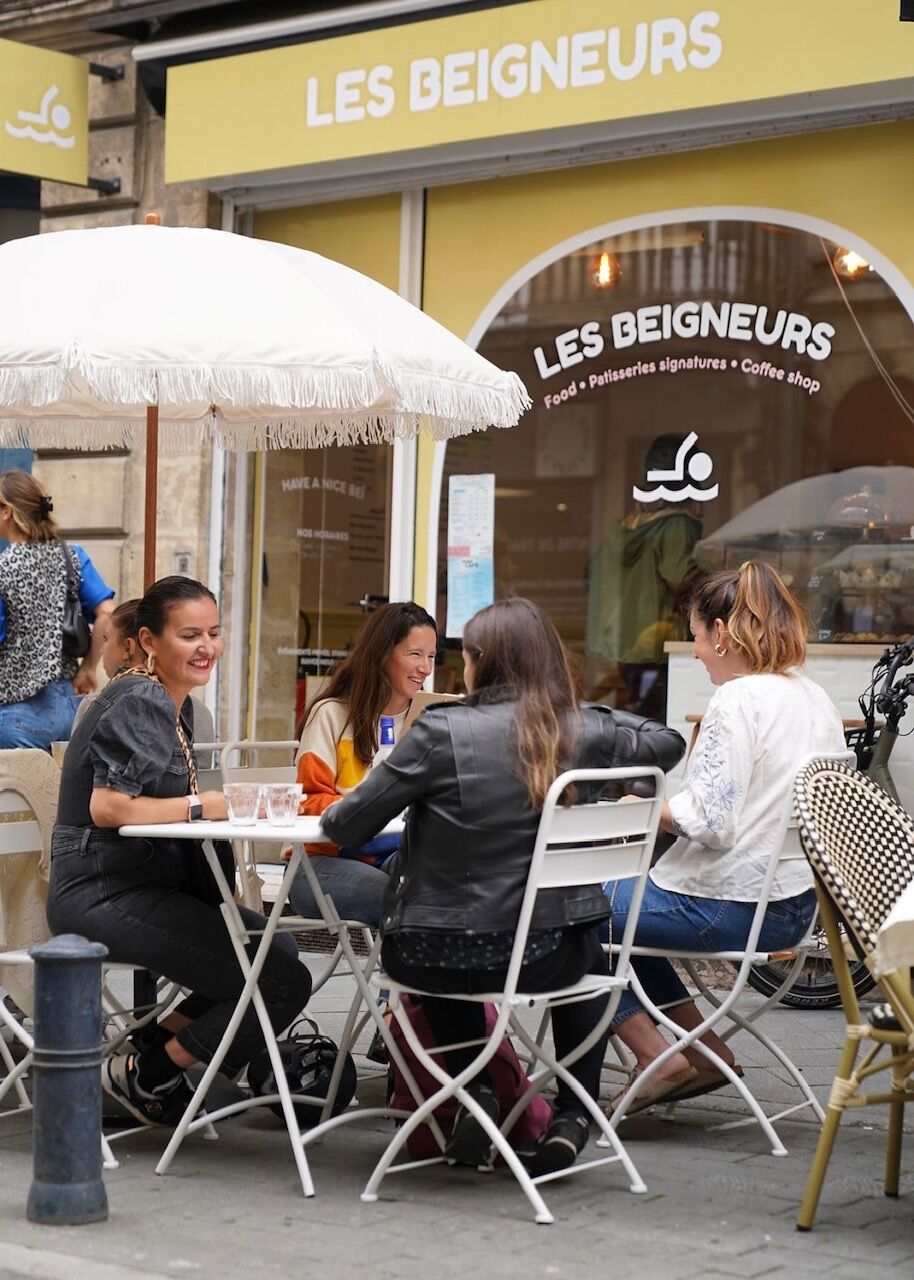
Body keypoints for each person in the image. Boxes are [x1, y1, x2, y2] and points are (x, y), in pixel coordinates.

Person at [320, 597, 685, 1174]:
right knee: (587, 935)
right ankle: (572, 1115)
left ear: (480, 662)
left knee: (440, 937)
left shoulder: (440, 728)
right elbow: (668, 742)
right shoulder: (581, 729)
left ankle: (476, 1098)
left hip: (434, 957)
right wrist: (577, 715)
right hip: (549, 959)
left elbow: (343, 825)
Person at [47, 575, 311, 1126]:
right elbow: (109, 809)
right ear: (148, 640)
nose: (206, 648)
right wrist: (203, 807)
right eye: (189, 635)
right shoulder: (142, 696)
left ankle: (142, 1061)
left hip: (140, 885)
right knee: (277, 977)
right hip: (104, 892)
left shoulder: (173, 703)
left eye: (213, 633)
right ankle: (153, 1075)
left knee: (276, 962)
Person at [604, 561, 846, 1114]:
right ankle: (706, 1053)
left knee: (562, 907)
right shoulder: (813, 698)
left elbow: (711, 821)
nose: (695, 652)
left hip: (726, 906)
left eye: (695, 636)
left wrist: (647, 809)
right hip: (791, 905)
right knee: (621, 914)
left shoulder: (737, 700)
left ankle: (658, 1058)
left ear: (722, 632)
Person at [289, 601, 438, 928]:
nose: (426, 669)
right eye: (415, 654)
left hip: (394, 854)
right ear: (383, 654)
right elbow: (305, 802)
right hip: (319, 863)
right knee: (404, 903)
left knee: (450, 890)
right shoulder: (331, 715)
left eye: (431, 657)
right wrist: (372, 807)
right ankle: (401, 981)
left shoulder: (429, 720)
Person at [585, 434, 703, 718]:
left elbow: (590, 574)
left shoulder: (626, 528)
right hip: (658, 647)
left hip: (624, 648)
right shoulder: (676, 525)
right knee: (661, 725)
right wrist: (723, 580)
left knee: (636, 721)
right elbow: (680, 576)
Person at [0, 469, 115, 750]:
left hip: (14, 711)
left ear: (6, 511)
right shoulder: (72, 556)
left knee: (14, 795)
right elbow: (108, 612)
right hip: (68, 707)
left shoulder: (3, 568)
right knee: (61, 794)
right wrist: (88, 668)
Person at [72, 598, 216, 744]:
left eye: (106, 638)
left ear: (129, 647)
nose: (102, 649)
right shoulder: (200, 713)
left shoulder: (97, 706)